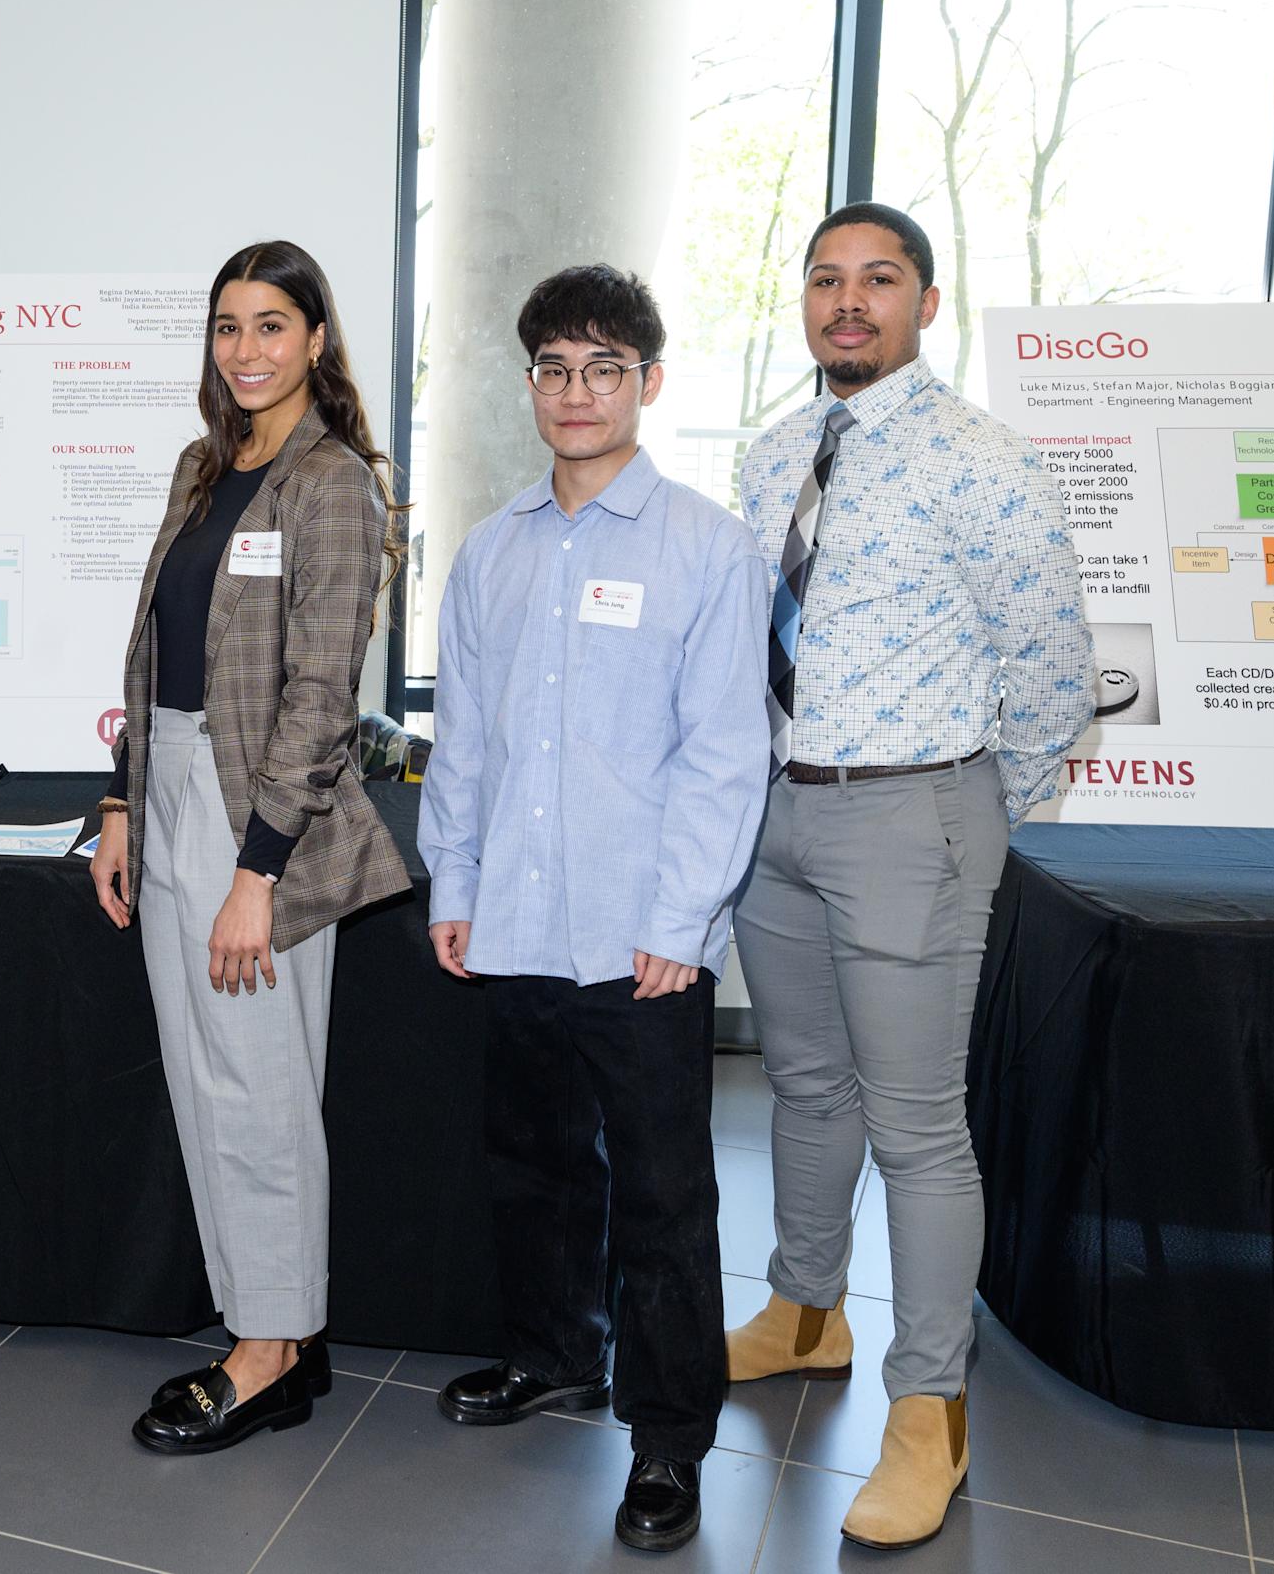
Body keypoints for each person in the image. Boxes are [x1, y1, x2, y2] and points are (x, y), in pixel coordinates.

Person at [724, 203, 1093, 1550]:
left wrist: (981, 805)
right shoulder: (771, 455)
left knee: (917, 1126)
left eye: (878, 279)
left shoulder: (983, 459)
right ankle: (803, 1311)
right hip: (776, 814)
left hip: (911, 813)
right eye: (827, 278)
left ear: (926, 304)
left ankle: (929, 1408)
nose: (849, 300)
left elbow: (1051, 657)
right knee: (805, 1084)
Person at [416, 265, 768, 1553]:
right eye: (556, 368)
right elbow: (465, 741)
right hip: (514, 919)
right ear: (531, 386)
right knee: (536, 1163)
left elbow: (726, 753)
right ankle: (554, 1352)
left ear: (649, 383)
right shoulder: (491, 549)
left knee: (664, 1196)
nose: (578, 392)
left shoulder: (707, 546)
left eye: (605, 368)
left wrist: (682, 923)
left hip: (641, 938)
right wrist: (454, 882)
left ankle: (668, 1436)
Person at [89, 240, 408, 1455]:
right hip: (169, 785)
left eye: (272, 324)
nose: (247, 348)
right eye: (228, 326)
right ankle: (264, 1322)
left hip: (260, 812)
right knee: (201, 1079)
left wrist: (256, 871)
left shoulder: (333, 484)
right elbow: (152, 651)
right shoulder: (204, 465)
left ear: (315, 339)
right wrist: (122, 805)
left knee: (260, 1090)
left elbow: (322, 698)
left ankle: (272, 1351)